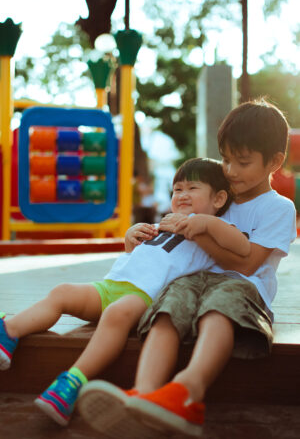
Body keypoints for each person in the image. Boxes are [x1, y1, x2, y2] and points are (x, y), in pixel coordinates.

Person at [77, 99, 297, 438]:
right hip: (194, 280)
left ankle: (186, 392)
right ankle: (145, 394)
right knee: (167, 308)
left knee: (218, 309)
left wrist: (200, 227)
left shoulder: (278, 208)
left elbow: (249, 263)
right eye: (225, 159)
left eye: (243, 162)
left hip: (244, 289)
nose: (231, 170)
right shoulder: (219, 194)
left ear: (275, 162)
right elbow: (175, 238)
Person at [0, 158, 250, 427]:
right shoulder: (165, 221)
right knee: (62, 292)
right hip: (111, 285)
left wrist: (204, 222)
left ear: (219, 198)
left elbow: (242, 246)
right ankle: (9, 331)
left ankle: (71, 382)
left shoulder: (213, 230)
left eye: (193, 188)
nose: (182, 195)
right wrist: (131, 237)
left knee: (116, 314)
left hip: (143, 297)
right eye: (177, 189)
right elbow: (143, 255)